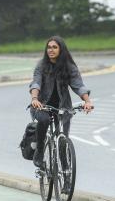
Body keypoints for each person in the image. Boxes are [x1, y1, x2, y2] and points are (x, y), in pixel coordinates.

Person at [29, 36, 93, 168]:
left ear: (61, 50)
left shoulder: (69, 67)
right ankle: (40, 151)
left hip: (63, 108)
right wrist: (35, 99)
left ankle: (66, 173)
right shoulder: (42, 65)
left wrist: (87, 101)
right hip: (42, 106)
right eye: (49, 47)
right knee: (44, 120)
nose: (50, 50)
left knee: (63, 139)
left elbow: (78, 85)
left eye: (54, 47)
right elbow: (36, 83)